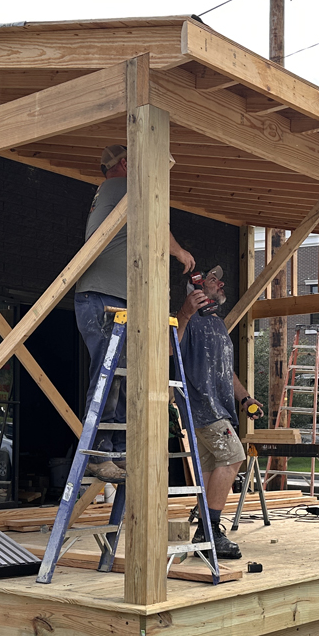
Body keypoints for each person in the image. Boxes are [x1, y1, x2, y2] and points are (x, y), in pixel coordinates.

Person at [74, 144, 195, 482]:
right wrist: (179, 252)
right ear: (126, 163)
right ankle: (100, 452)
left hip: (114, 298)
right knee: (111, 374)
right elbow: (157, 220)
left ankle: (120, 450)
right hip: (101, 297)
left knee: (123, 375)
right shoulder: (122, 186)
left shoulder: (113, 193)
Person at [176, 265, 263, 559]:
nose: (221, 283)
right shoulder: (185, 320)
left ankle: (206, 532)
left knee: (213, 468)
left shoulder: (217, 324)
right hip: (202, 404)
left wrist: (244, 398)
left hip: (220, 407)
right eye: (214, 280)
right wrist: (185, 314)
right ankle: (210, 531)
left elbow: (227, 371)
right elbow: (168, 349)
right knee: (234, 456)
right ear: (197, 289)